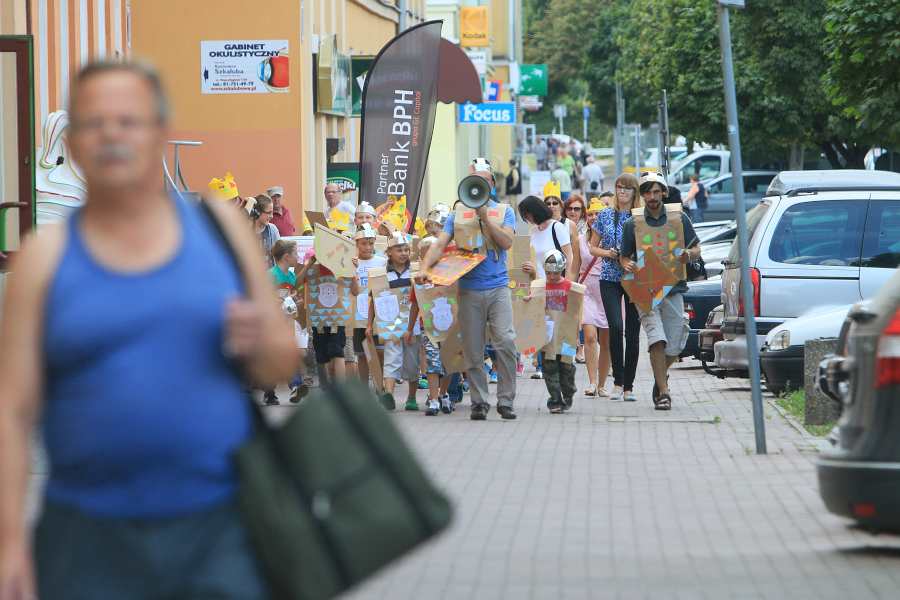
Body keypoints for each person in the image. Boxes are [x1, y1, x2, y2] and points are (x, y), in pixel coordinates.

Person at [0, 61, 298, 600]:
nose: (111, 134)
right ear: (74, 141)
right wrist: (8, 544)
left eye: (129, 120)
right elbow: (12, 411)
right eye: (94, 122)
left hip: (220, 526)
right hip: (86, 535)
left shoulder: (220, 229)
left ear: (160, 132)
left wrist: (259, 340)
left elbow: (280, 360)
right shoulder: (44, 257)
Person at [418, 158, 518, 421]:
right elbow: (439, 244)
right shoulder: (457, 214)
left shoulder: (505, 211)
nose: (480, 185)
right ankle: (479, 402)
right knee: (473, 349)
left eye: (484, 181)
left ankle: (506, 400)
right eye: (475, 181)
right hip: (469, 290)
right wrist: (424, 268)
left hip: (498, 287)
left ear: (492, 184)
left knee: (505, 341)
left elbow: (507, 242)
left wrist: (485, 217)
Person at [620, 172, 701, 410]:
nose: (652, 196)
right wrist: (627, 264)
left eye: (656, 191)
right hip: (645, 290)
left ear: (663, 193)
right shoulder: (632, 223)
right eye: (647, 192)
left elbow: (697, 249)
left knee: (675, 345)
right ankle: (664, 393)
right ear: (642, 195)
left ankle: (660, 377)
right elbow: (624, 257)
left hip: (674, 289)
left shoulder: (679, 218)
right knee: (657, 339)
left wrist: (688, 255)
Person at [589, 173, 642, 402]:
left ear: (634, 192)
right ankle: (617, 382)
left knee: (633, 332)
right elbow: (592, 247)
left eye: (627, 188)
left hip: (634, 278)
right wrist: (608, 253)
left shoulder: (640, 217)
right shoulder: (605, 214)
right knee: (615, 327)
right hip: (609, 276)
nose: (622, 192)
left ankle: (629, 386)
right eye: (619, 187)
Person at [369, 232, 420, 411]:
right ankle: (389, 395)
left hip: (412, 324)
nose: (403, 253)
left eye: (406, 250)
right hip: (390, 324)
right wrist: (369, 325)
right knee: (391, 359)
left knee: (412, 363)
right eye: (399, 250)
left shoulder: (415, 272)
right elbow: (373, 300)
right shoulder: (382, 274)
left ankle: (411, 397)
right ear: (389, 252)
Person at [296, 253, 360, 387]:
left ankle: (341, 389)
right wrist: (308, 264)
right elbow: (297, 283)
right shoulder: (312, 270)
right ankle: (325, 386)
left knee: (337, 351)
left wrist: (353, 271)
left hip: (337, 319)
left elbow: (355, 291)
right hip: (318, 320)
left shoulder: (344, 268)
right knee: (321, 354)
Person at [407, 237, 453, 416]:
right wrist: (410, 328)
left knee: (449, 363)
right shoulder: (419, 280)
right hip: (429, 327)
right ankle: (433, 399)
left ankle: (443, 393)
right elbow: (415, 305)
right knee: (433, 362)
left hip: (450, 327)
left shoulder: (451, 275)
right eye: (426, 255)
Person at [530, 250, 577, 414]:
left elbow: (577, 311)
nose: (552, 276)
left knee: (567, 367)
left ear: (562, 270)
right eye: (548, 273)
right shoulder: (541, 286)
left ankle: (568, 392)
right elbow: (532, 303)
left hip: (567, 337)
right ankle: (556, 400)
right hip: (548, 337)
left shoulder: (570, 287)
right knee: (550, 368)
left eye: (555, 273)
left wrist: (577, 334)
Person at [269, 239, 310, 404]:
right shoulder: (271, 275)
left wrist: (296, 301)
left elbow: (293, 294)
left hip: (288, 322)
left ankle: (296, 386)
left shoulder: (291, 275)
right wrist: (282, 300)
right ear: (286, 257)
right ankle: (269, 392)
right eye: (295, 253)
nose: (297, 256)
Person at [579, 197, 611, 397]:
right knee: (590, 336)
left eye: (598, 214)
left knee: (606, 341)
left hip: (608, 291)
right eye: (590, 214)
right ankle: (592, 382)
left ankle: (602, 384)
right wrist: (568, 290)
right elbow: (573, 267)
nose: (593, 217)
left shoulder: (610, 240)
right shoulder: (580, 240)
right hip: (586, 292)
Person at [352, 224, 387, 389]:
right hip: (359, 314)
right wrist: (352, 270)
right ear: (356, 243)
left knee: (380, 351)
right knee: (362, 354)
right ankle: (364, 389)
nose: (367, 247)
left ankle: (380, 385)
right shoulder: (352, 262)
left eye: (371, 243)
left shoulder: (382, 262)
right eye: (364, 243)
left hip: (378, 314)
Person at [544, 183, 581, 275]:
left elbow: (576, 255)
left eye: (555, 203)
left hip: (565, 272)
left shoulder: (570, 224)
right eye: (548, 203)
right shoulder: (541, 226)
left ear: (560, 205)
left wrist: (570, 278)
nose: (551, 206)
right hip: (546, 272)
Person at [252, 194, 280, 267]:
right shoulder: (245, 231)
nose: (272, 216)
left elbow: (279, 257)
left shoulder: (273, 230)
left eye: (272, 212)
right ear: (257, 212)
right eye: (269, 213)